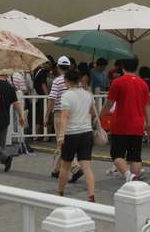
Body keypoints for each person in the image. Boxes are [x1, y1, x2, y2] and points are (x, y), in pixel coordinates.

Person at [100, 57, 150, 182]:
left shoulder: (117, 82)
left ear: (122, 66)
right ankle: (134, 178)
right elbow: (146, 106)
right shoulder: (143, 84)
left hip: (120, 124)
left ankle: (128, 175)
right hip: (138, 124)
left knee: (117, 154)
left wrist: (100, 115)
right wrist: (149, 123)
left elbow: (109, 103)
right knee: (135, 157)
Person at [57, 69, 99, 202]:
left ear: (67, 81)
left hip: (71, 134)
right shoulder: (88, 94)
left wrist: (61, 135)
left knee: (65, 165)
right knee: (86, 166)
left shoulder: (66, 95)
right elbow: (93, 112)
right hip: (86, 133)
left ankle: (60, 193)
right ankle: (91, 195)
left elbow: (65, 116)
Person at [45, 56, 82, 181]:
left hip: (60, 113)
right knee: (66, 141)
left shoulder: (57, 81)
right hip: (73, 113)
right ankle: (57, 170)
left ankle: (75, 167)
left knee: (62, 143)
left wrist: (46, 116)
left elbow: (52, 99)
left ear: (58, 67)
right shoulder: (76, 81)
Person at [33, 62, 50, 139]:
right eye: (48, 63)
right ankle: (45, 136)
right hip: (42, 97)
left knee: (38, 115)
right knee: (44, 115)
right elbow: (43, 84)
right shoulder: (43, 72)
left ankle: (36, 135)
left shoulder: (37, 72)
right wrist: (47, 96)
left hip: (38, 97)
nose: (49, 66)